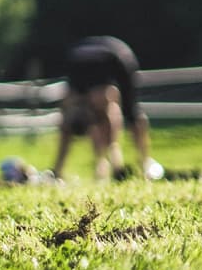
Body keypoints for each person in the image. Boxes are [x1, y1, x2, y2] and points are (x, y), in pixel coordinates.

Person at [49, 36, 159, 181]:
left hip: (119, 57)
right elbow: (69, 116)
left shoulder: (104, 85)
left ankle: (143, 162)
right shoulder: (73, 97)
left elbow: (112, 98)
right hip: (83, 63)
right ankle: (59, 171)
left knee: (130, 112)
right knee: (84, 113)